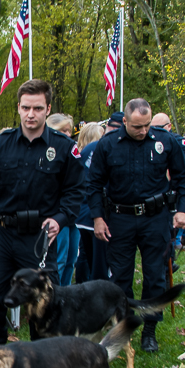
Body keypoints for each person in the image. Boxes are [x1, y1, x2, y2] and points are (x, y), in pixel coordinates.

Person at [0, 79, 84, 345]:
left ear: (48, 109)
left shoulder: (64, 148)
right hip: (3, 234)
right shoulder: (2, 145)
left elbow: (76, 191)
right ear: (18, 107)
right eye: (26, 107)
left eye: (38, 108)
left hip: (40, 237)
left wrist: (61, 219)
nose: (31, 114)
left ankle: (43, 357)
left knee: (44, 300)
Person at [87, 98, 185, 353]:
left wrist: (182, 209)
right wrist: (97, 217)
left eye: (146, 125)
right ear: (125, 121)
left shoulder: (165, 141)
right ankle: (124, 327)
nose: (143, 131)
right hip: (120, 218)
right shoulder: (108, 144)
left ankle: (149, 329)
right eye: (137, 126)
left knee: (155, 275)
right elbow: (93, 184)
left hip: (155, 218)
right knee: (120, 277)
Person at [75, 116, 122, 283]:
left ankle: (84, 290)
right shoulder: (109, 148)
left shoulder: (89, 149)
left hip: (84, 214)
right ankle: (98, 300)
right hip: (100, 215)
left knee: (88, 258)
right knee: (101, 266)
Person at [150, 114, 185, 249]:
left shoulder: (175, 140)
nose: (155, 131)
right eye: (152, 127)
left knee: (184, 218)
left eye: (159, 128)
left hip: (175, 190)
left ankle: (176, 242)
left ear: (169, 126)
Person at [47, 113, 80, 286]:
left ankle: (66, 295)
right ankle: (53, 300)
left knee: (70, 260)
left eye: (69, 130)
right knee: (58, 261)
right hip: (56, 216)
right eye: (62, 130)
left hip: (72, 216)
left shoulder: (72, 153)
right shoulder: (47, 154)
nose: (67, 134)